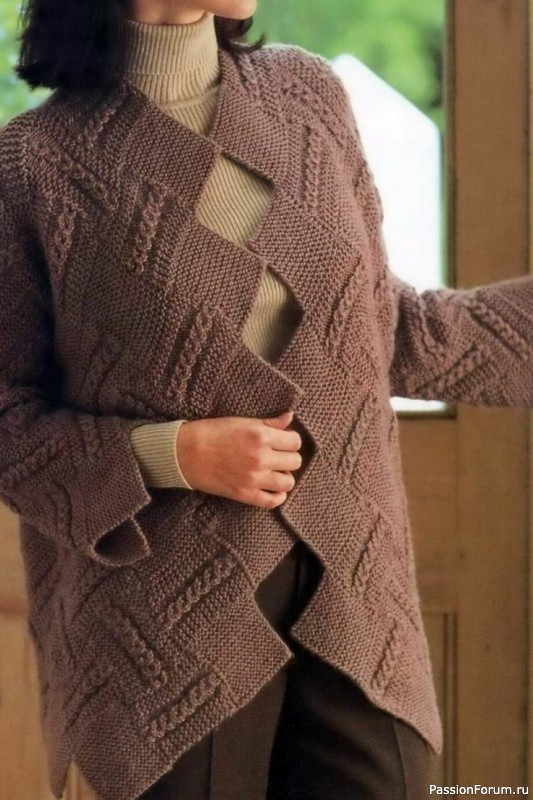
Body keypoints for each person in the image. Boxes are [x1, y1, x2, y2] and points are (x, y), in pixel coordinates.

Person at [2, 1, 531, 799]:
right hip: (163, 633)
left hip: (351, 598)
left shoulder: (305, 97)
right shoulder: (35, 164)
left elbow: (381, 331)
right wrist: (173, 454)